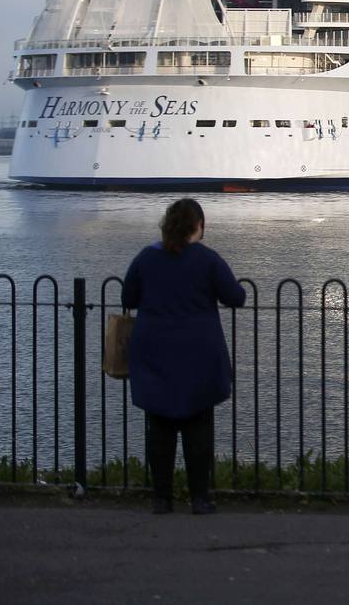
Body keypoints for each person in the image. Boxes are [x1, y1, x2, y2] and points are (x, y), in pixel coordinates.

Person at [123, 198, 245, 515]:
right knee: (198, 428)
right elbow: (235, 297)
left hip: (155, 352)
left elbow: (128, 296)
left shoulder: (146, 258)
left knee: (159, 428)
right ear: (199, 227)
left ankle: (161, 498)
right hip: (198, 354)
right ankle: (200, 498)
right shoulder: (208, 260)